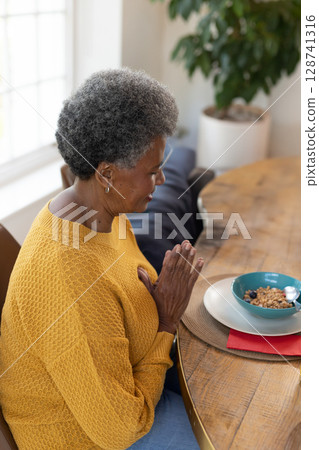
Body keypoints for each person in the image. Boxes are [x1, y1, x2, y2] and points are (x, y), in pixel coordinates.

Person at [0, 68, 203, 449]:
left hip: (131, 385)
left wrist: (158, 305)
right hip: (80, 436)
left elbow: (122, 296)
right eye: (152, 171)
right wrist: (166, 322)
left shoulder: (100, 214)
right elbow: (120, 430)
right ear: (107, 174)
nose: (160, 181)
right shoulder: (68, 272)